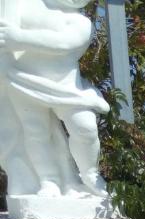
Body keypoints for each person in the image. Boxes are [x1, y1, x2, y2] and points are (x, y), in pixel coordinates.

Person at [0, 0, 109, 198]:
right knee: (35, 133)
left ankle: (90, 174)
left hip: (67, 87)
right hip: (23, 79)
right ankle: (48, 180)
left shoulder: (80, 22)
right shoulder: (23, 6)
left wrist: (19, 38)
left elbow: (64, 43)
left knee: (85, 127)